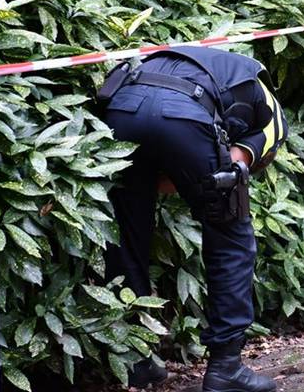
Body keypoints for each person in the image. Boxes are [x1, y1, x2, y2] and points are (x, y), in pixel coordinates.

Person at [99, 46, 287, 391]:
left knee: (125, 233)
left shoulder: (210, 68)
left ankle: (135, 360)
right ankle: (226, 368)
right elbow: (237, 164)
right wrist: (219, 180)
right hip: (183, 114)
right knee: (231, 234)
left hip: (121, 109)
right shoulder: (271, 114)